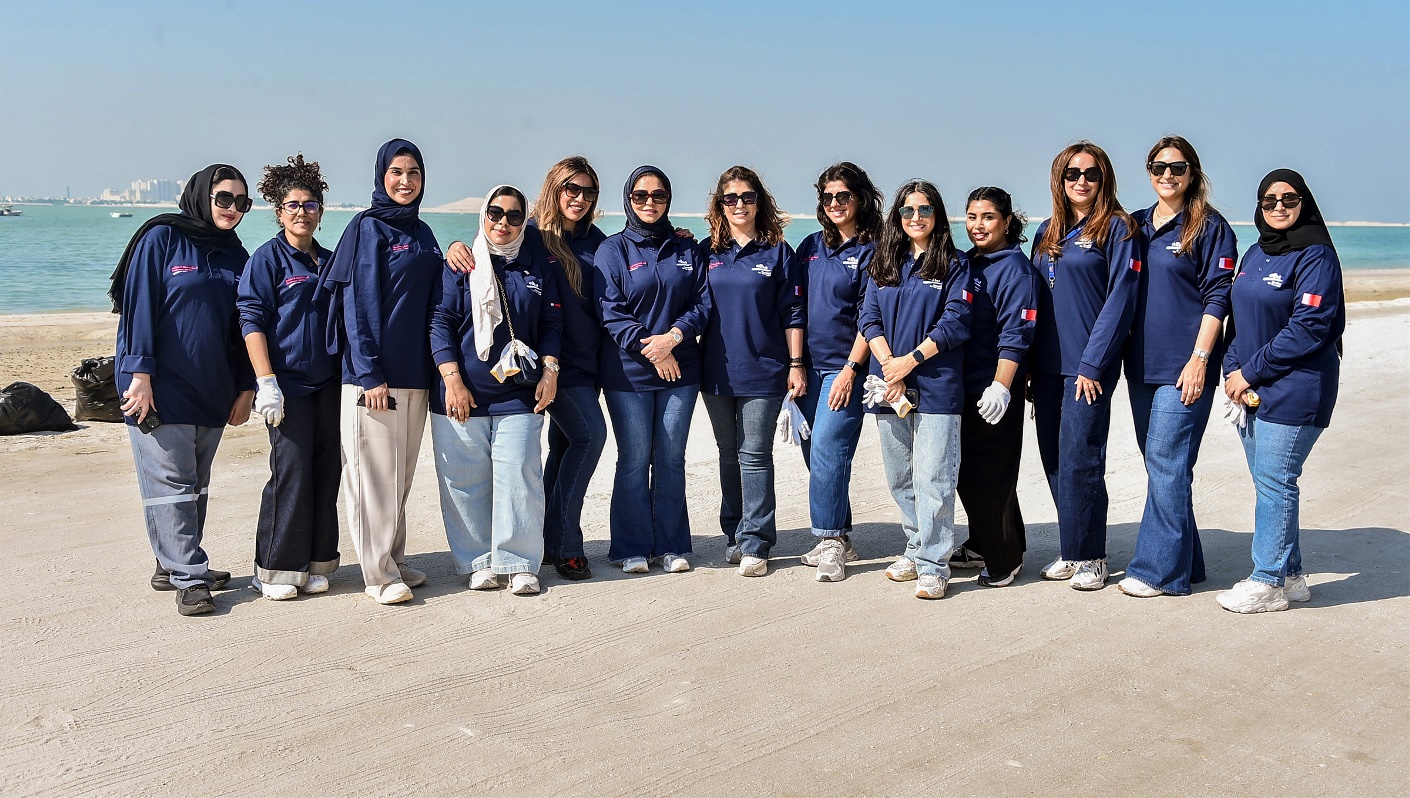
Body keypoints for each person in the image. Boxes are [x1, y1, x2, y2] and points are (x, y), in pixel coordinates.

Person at [112, 164, 256, 616]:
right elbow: (138, 307)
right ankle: (190, 577)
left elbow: (244, 327)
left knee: (195, 483)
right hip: (158, 385)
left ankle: (170, 562)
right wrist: (139, 374)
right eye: (224, 199)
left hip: (212, 385)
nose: (232, 209)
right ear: (201, 196)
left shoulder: (237, 255)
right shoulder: (161, 239)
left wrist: (246, 387)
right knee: (171, 482)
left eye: (242, 203)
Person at [319, 139, 443, 605]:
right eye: (396, 172)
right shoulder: (367, 229)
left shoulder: (424, 232)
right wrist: (370, 373)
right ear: (380, 176)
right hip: (374, 378)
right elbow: (359, 304)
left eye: (413, 173)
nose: (406, 181)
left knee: (400, 477)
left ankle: (394, 557)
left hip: (416, 375)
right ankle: (377, 574)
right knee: (372, 479)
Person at [1219, 169, 1343, 613]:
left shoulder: (1317, 257)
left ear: (1304, 202)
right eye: (1269, 201)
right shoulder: (1254, 252)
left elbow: (1309, 328)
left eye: (1288, 199)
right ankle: (1291, 576)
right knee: (1269, 483)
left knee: (1276, 483)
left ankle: (1266, 580)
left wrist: (1249, 373)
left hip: (1297, 388)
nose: (1278, 207)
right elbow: (1239, 320)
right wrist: (1232, 371)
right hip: (1249, 388)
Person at [1118, 136, 1237, 598]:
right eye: (1157, 166)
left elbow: (1219, 296)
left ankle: (1158, 573)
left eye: (1177, 167)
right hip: (1140, 367)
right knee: (1164, 465)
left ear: (1192, 172)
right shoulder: (1135, 225)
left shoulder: (1210, 227)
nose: (1167, 174)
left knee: (1167, 462)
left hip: (1185, 367)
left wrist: (1200, 360)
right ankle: (1189, 562)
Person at [430, 185, 562, 596]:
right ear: (483, 215)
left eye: (513, 216)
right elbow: (440, 323)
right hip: (461, 392)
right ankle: (479, 562)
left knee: (520, 475)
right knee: (465, 481)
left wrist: (550, 371)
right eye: (494, 213)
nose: (502, 223)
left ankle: (520, 562)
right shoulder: (461, 263)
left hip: (518, 393)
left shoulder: (537, 262)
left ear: (526, 221)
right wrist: (453, 381)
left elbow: (552, 324)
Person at [1029, 141, 1140, 591]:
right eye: (1072, 174)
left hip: (1087, 365)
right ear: (1059, 179)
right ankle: (1071, 547)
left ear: (1104, 179)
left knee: (1083, 459)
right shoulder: (1046, 231)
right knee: (1054, 460)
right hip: (1047, 365)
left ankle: (1092, 554)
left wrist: (1094, 364)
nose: (1081, 181)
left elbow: (1121, 298)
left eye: (1091, 174)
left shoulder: (1118, 229)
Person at [860, 179, 972, 600]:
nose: (916, 217)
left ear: (937, 216)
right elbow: (868, 316)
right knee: (900, 477)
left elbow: (956, 321)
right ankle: (914, 545)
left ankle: (934, 564)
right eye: (908, 210)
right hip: (889, 387)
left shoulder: (954, 264)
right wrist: (890, 365)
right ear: (898, 217)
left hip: (937, 386)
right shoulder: (883, 262)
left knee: (934, 478)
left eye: (924, 210)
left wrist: (911, 361)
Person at [595, 166, 711, 574]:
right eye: (640, 195)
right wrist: (654, 350)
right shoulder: (613, 250)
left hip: (682, 370)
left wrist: (673, 339)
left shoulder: (687, 249)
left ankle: (672, 545)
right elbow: (612, 312)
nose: (649, 202)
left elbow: (702, 304)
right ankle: (631, 546)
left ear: (669, 201)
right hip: (628, 373)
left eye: (658, 196)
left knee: (670, 458)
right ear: (628, 198)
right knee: (633, 458)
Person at [238, 154, 341, 601]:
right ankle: (276, 568)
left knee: (326, 471)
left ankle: (316, 563)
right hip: (288, 388)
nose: (303, 212)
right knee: (291, 472)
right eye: (293, 205)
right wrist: (265, 382)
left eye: (311, 204)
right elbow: (251, 319)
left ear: (321, 211)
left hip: (329, 385)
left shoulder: (329, 260)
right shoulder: (267, 260)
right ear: (279, 212)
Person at [699, 165, 805, 577]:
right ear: (720, 205)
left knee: (755, 455)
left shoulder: (778, 251)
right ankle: (734, 533)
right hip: (715, 372)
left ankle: (756, 542)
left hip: (765, 370)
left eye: (747, 197)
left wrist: (796, 365)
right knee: (728, 455)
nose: (739, 205)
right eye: (730, 198)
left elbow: (793, 312)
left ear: (759, 202)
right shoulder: (706, 251)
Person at [794, 161, 883, 582]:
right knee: (815, 453)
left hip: (848, 368)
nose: (834, 203)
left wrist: (851, 369)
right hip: (806, 368)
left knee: (830, 447)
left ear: (860, 199)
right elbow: (791, 305)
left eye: (842, 196)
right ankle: (843, 535)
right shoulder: (810, 245)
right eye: (827, 197)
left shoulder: (875, 250)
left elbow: (872, 314)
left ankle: (829, 541)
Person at [526, 158, 608, 581]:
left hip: (591, 364)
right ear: (555, 188)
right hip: (552, 366)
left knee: (563, 450)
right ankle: (566, 543)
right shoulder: (531, 235)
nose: (580, 198)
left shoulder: (598, 239)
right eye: (571, 189)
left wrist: (679, 236)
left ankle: (541, 540)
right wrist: (456, 249)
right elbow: (490, 260)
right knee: (590, 437)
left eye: (589, 191)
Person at [955, 187, 1040, 587]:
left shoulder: (1015, 269)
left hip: (993, 389)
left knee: (992, 475)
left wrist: (1002, 386)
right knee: (967, 473)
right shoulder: (969, 262)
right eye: (972, 217)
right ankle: (981, 541)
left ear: (1007, 221)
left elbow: (1017, 332)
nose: (978, 225)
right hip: (962, 385)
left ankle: (1004, 558)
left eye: (987, 217)